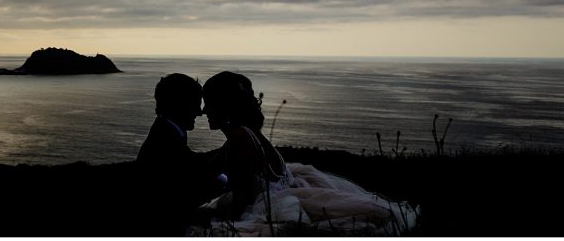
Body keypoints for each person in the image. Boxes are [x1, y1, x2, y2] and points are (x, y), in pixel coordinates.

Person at [194, 71, 418, 236]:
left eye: (209, 102)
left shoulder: (239, 138)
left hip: (268, 207)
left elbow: (242, 202)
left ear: (224, 105)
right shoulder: (251, 134)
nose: (203, 110)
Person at [135, 73, 224, 235]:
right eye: (195, 105)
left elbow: (189, 160)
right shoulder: (164, 140)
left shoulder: (167, 130)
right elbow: (184, 175)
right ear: (180, 105)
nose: (199, 112)